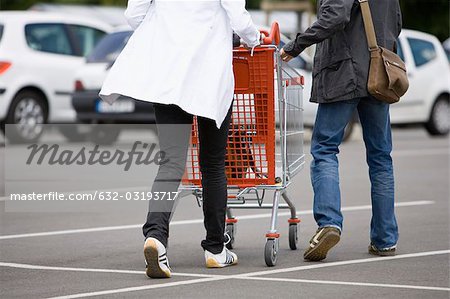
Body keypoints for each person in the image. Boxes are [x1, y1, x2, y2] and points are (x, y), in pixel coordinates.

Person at [100, 0, 262, 278]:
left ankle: (156, 237)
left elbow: (134, 13)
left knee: (171, 162)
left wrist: (168, 35)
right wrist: (254, 38)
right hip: (208, 75)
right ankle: (215, 249)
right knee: (212, 164)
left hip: (169, 74)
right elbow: (237, 16)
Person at [280, 0, 402, 261]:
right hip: (380, 75)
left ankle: (329, 223)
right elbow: (397, 24)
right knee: (381, 158)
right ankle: (385, 239)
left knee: (324, 149)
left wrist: (295, 45)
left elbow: (335, 16)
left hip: (344, 72)